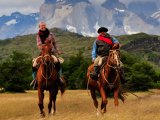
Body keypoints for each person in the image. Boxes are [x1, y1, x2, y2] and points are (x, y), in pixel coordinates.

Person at [31, 21, 65, 89]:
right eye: (42, 26)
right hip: (43, 53)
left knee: (57, 62)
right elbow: (39, 45)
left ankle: (60, 78)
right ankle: (35, 80)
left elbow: (54, 43)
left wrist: (57, 50)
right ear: (39, 27)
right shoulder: (38, 35)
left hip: (51, 53)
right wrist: (47, 45)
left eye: (44, 25)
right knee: (34, 65)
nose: (43, 26)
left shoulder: (50, 34)